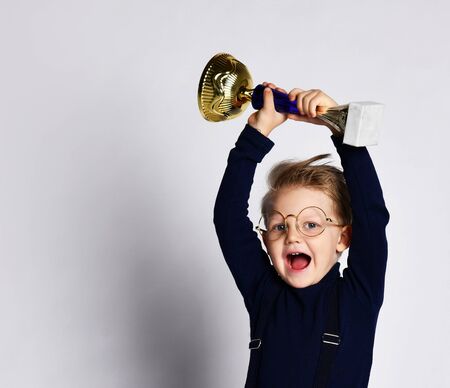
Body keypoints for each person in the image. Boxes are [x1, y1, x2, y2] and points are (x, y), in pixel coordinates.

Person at [213, 83, 390, 387]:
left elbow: (372, 218)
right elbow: (228, 219)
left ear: (344, 238)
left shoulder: (358, 298)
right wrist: (256, 133)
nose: (293, 237)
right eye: (280, 225)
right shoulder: (264, 294)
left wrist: (339, 124)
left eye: (311, 224)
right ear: (266, 239)